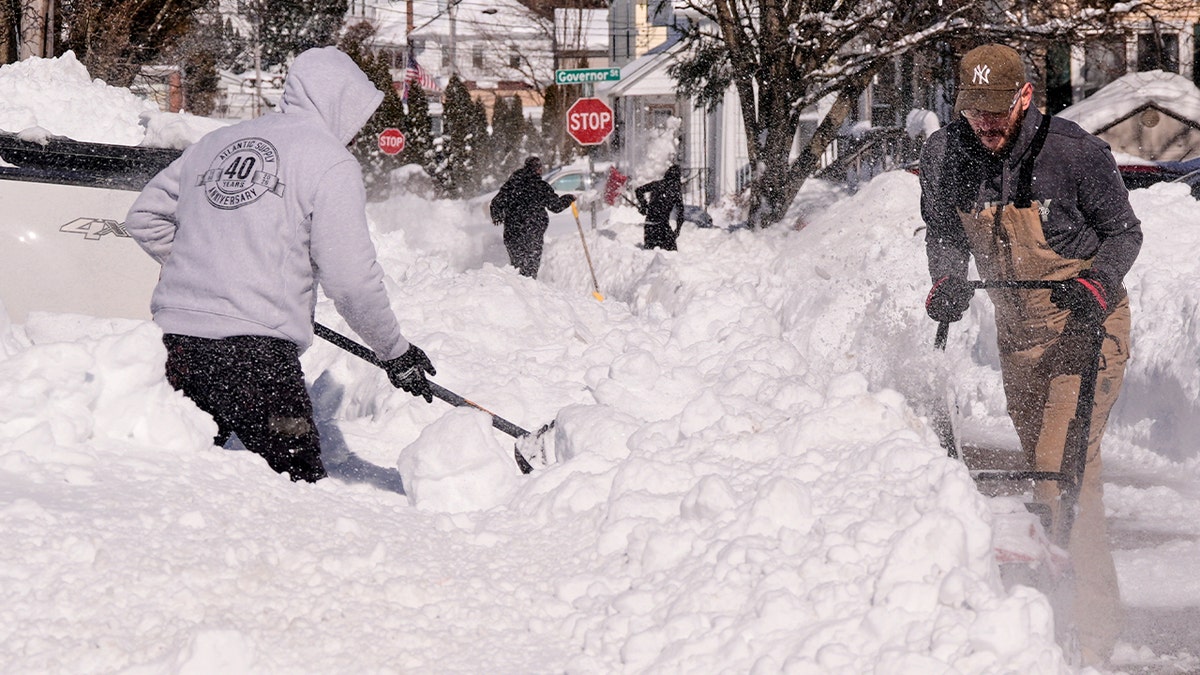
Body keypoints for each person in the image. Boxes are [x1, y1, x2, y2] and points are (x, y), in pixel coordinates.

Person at [919, 44, 1142, 666]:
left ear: (1025, 97)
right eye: (974, 111)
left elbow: (1125, 231)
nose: (985, 124)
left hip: (1087, 324)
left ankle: (1089, 636)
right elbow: (943, 230)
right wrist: (946, 280)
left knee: (1064, 470)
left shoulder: (1073, 152)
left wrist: (1097, 283)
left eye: (997, 110)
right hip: (1018, 335)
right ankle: (1048, 612)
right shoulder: (945, 154)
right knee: (1044, 471)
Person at [124, 47, 436, 483]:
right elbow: (350, 282)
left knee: (188, 479)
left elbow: (143, 217)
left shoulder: (215, 143)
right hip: (256, 362)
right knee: (298, 486)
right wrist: (395, 352)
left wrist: (205, 270)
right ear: (341, 102)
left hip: (178, 347)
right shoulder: (328, 160)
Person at [489, 156, 575, 277]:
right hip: (532, 233)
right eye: (540, 168)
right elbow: (556, 206)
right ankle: (527, 291)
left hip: (512, 233)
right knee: (530, 270)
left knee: (517, 267)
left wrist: (497, 216)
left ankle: (517, 290)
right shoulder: (540, 186)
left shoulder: (512, 184)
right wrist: (568, 199)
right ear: (538, 169)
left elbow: (497, 202)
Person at [635, 164, 683, 251]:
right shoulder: (676, 191)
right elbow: (680, 213)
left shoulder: (657, 184)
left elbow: (639, 190)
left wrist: (643, 205)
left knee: (649, 254)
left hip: (649, 226)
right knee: (672, 255)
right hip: (663, 227)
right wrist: (677, 230)